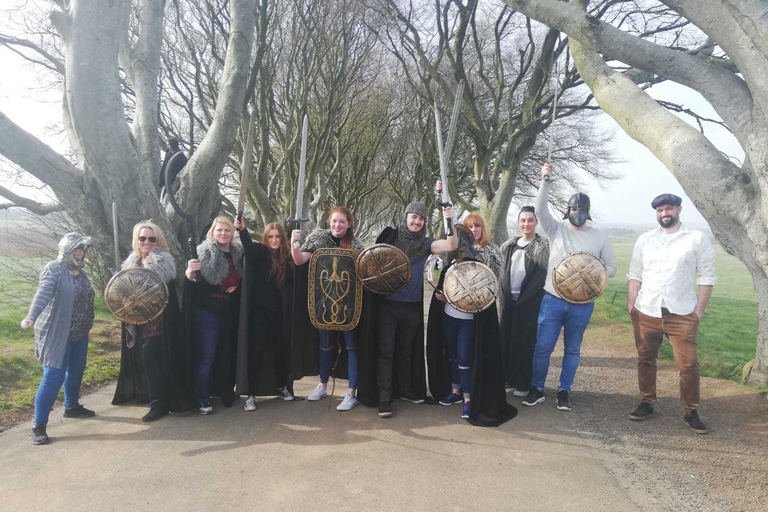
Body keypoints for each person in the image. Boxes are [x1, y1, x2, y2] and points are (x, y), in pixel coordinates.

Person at [522, 163, 617, 411]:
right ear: (568, 210)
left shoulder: (600, 236)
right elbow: (540, 210)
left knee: (573, 351)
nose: (578, 211)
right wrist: (545, 180)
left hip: (582, 304)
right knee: (542, 349)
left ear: (588, 211)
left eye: (582, 208)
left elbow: (612, 267)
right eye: (574, 208)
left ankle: (564, 391)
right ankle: (537, 389)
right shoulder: (557, 230)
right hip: (553, 299)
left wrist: (593, 276)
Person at [627, 194, 717, 434]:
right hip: (647, 310)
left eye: (668, 209)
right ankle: (647, 402)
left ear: (678, 209)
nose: (664, 213)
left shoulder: (696, 238)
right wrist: (631, 303)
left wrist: (699, 310)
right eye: (660, 210)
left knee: (688, 364)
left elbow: (707, 276)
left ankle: (691, 411)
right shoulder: (645, 240)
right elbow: (635, 273)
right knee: (645, 358)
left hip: (683, 312)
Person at [374, 181, 457, 418]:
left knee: (407, 351)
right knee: (386, 350)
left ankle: (406, 390)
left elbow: (452, 244)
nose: (417, 221)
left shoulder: (427, 243)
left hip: (411, 306)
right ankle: (384, 397)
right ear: (406, 216)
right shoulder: (390, 236)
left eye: (421, 219)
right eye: (413, 217)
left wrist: (449, 218)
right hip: (388, 304)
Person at [426, 225, 518, 426]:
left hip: (468, 321)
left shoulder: (476, 267)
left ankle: (469, 399)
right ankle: (456, 391)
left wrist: (449, 299)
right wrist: (441, 296)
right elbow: (444, 290)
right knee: (452, 355)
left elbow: (480, 297)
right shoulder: (449, 267)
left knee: (464, 358)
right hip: (449, 318)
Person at [22, 233, 96, 445]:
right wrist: (31, 316)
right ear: (67, 249)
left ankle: (71, 406)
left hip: (79, 333)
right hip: (57, 333)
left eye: (82, 249)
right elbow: (43, 293)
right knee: (53, 376)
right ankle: (39, 425)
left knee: (76, 370)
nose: (80, 253)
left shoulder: (81, 273)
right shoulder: (54, 269)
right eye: (77, 249)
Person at [112, 221, 190, 422]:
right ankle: (152, 395)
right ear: (137, 240)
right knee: (146, 360)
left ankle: (159, 404)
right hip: (136, 321)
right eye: (143, 238)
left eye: (151, 238)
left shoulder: (162, 263)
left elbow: (163, 295)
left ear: (158, 240)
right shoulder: (131, 264)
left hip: (159, 320)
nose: (147, 242)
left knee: (151, 357)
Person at [290, 207, 366, 411]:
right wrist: (294, 243)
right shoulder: (317, 240)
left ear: (349, 223)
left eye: (342, 222)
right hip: (323, 302)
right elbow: (299, 260)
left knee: (351, 347)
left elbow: (364, 275)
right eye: (334, 221)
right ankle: (322, 385)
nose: (337, 225)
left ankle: (351, 392)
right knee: (325, 346)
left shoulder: (357, 246)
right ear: (329, 222)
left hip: (349, 306)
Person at [235, 219, 296, 410]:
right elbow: (249, 250)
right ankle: (251, 394)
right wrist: (243, 231)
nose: (275, 240)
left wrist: (295, 243)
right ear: (266, 237)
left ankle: (282, 386)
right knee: (257, 351)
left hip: (280, 313)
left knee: (280, 351)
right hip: (259, 312)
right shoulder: (261, 252)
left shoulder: (286, 257)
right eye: (271, 236)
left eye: (278, 236)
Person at [185, 216, 243, 415]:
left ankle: (223, 391)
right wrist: (189, 272)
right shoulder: (202, 252)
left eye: (227, 230)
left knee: (227, 353)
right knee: (207, 356)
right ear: (212, 232)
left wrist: (239, 285)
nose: (223, 233)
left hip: (230, 310)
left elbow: (247, 276)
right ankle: (201, 397)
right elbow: (193, 281)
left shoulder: (238, 254)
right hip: (208, 310)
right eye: (219, 230)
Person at [498, 206, 549, 397]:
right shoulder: (508, 246)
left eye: (530, 220)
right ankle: (506, 378)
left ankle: (523, 382)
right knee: (505, 338)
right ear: (518, 223)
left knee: (525, 341)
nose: (526, 224)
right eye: (523, 220)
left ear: (536, 222)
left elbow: (540, 278)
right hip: (508, 302)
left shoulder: (543, 248)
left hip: (529, 303)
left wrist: (525, 299)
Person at [463, 212, 502, 276]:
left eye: (477, 226)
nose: (474, 229)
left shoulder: (493, 252)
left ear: (482, 228)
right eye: (470, 227)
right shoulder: (460, 250)